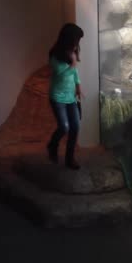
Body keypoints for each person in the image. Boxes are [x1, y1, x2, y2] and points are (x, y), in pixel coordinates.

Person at [47, 23, 84, 170]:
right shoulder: (54, 55)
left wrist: (78, 87)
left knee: (75, 127)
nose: (77, 44)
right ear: (68, 39)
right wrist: (73, 64)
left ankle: (70, 158)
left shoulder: (72, 52)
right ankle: (52, 144)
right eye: (76, 40)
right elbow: (61, 75)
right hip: (57, 97)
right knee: (64, 126)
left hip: (71, 97)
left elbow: (75, 73)